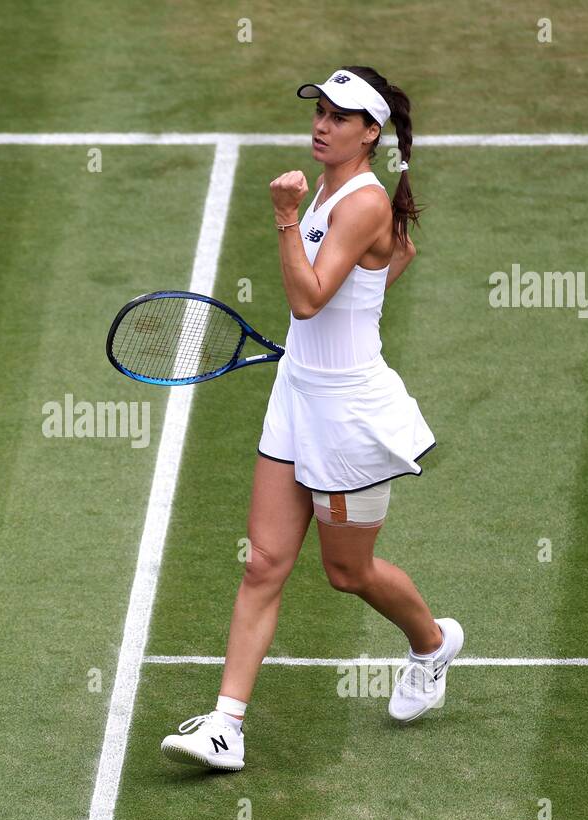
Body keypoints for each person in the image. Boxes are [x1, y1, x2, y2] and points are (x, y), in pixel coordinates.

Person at [161, 66, 463, 771]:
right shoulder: (334, 184)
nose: (322, 123)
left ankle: (432, 643)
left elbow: (306, 300)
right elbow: (389, 261)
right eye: (319, 111)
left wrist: (285, 216)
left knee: (345, 573)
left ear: (370, 132)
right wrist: (355, 310)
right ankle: (226, 726)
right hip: (298, 395)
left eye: (338, 115)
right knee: (265, 560)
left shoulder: (358, 201)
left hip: (351, 414)